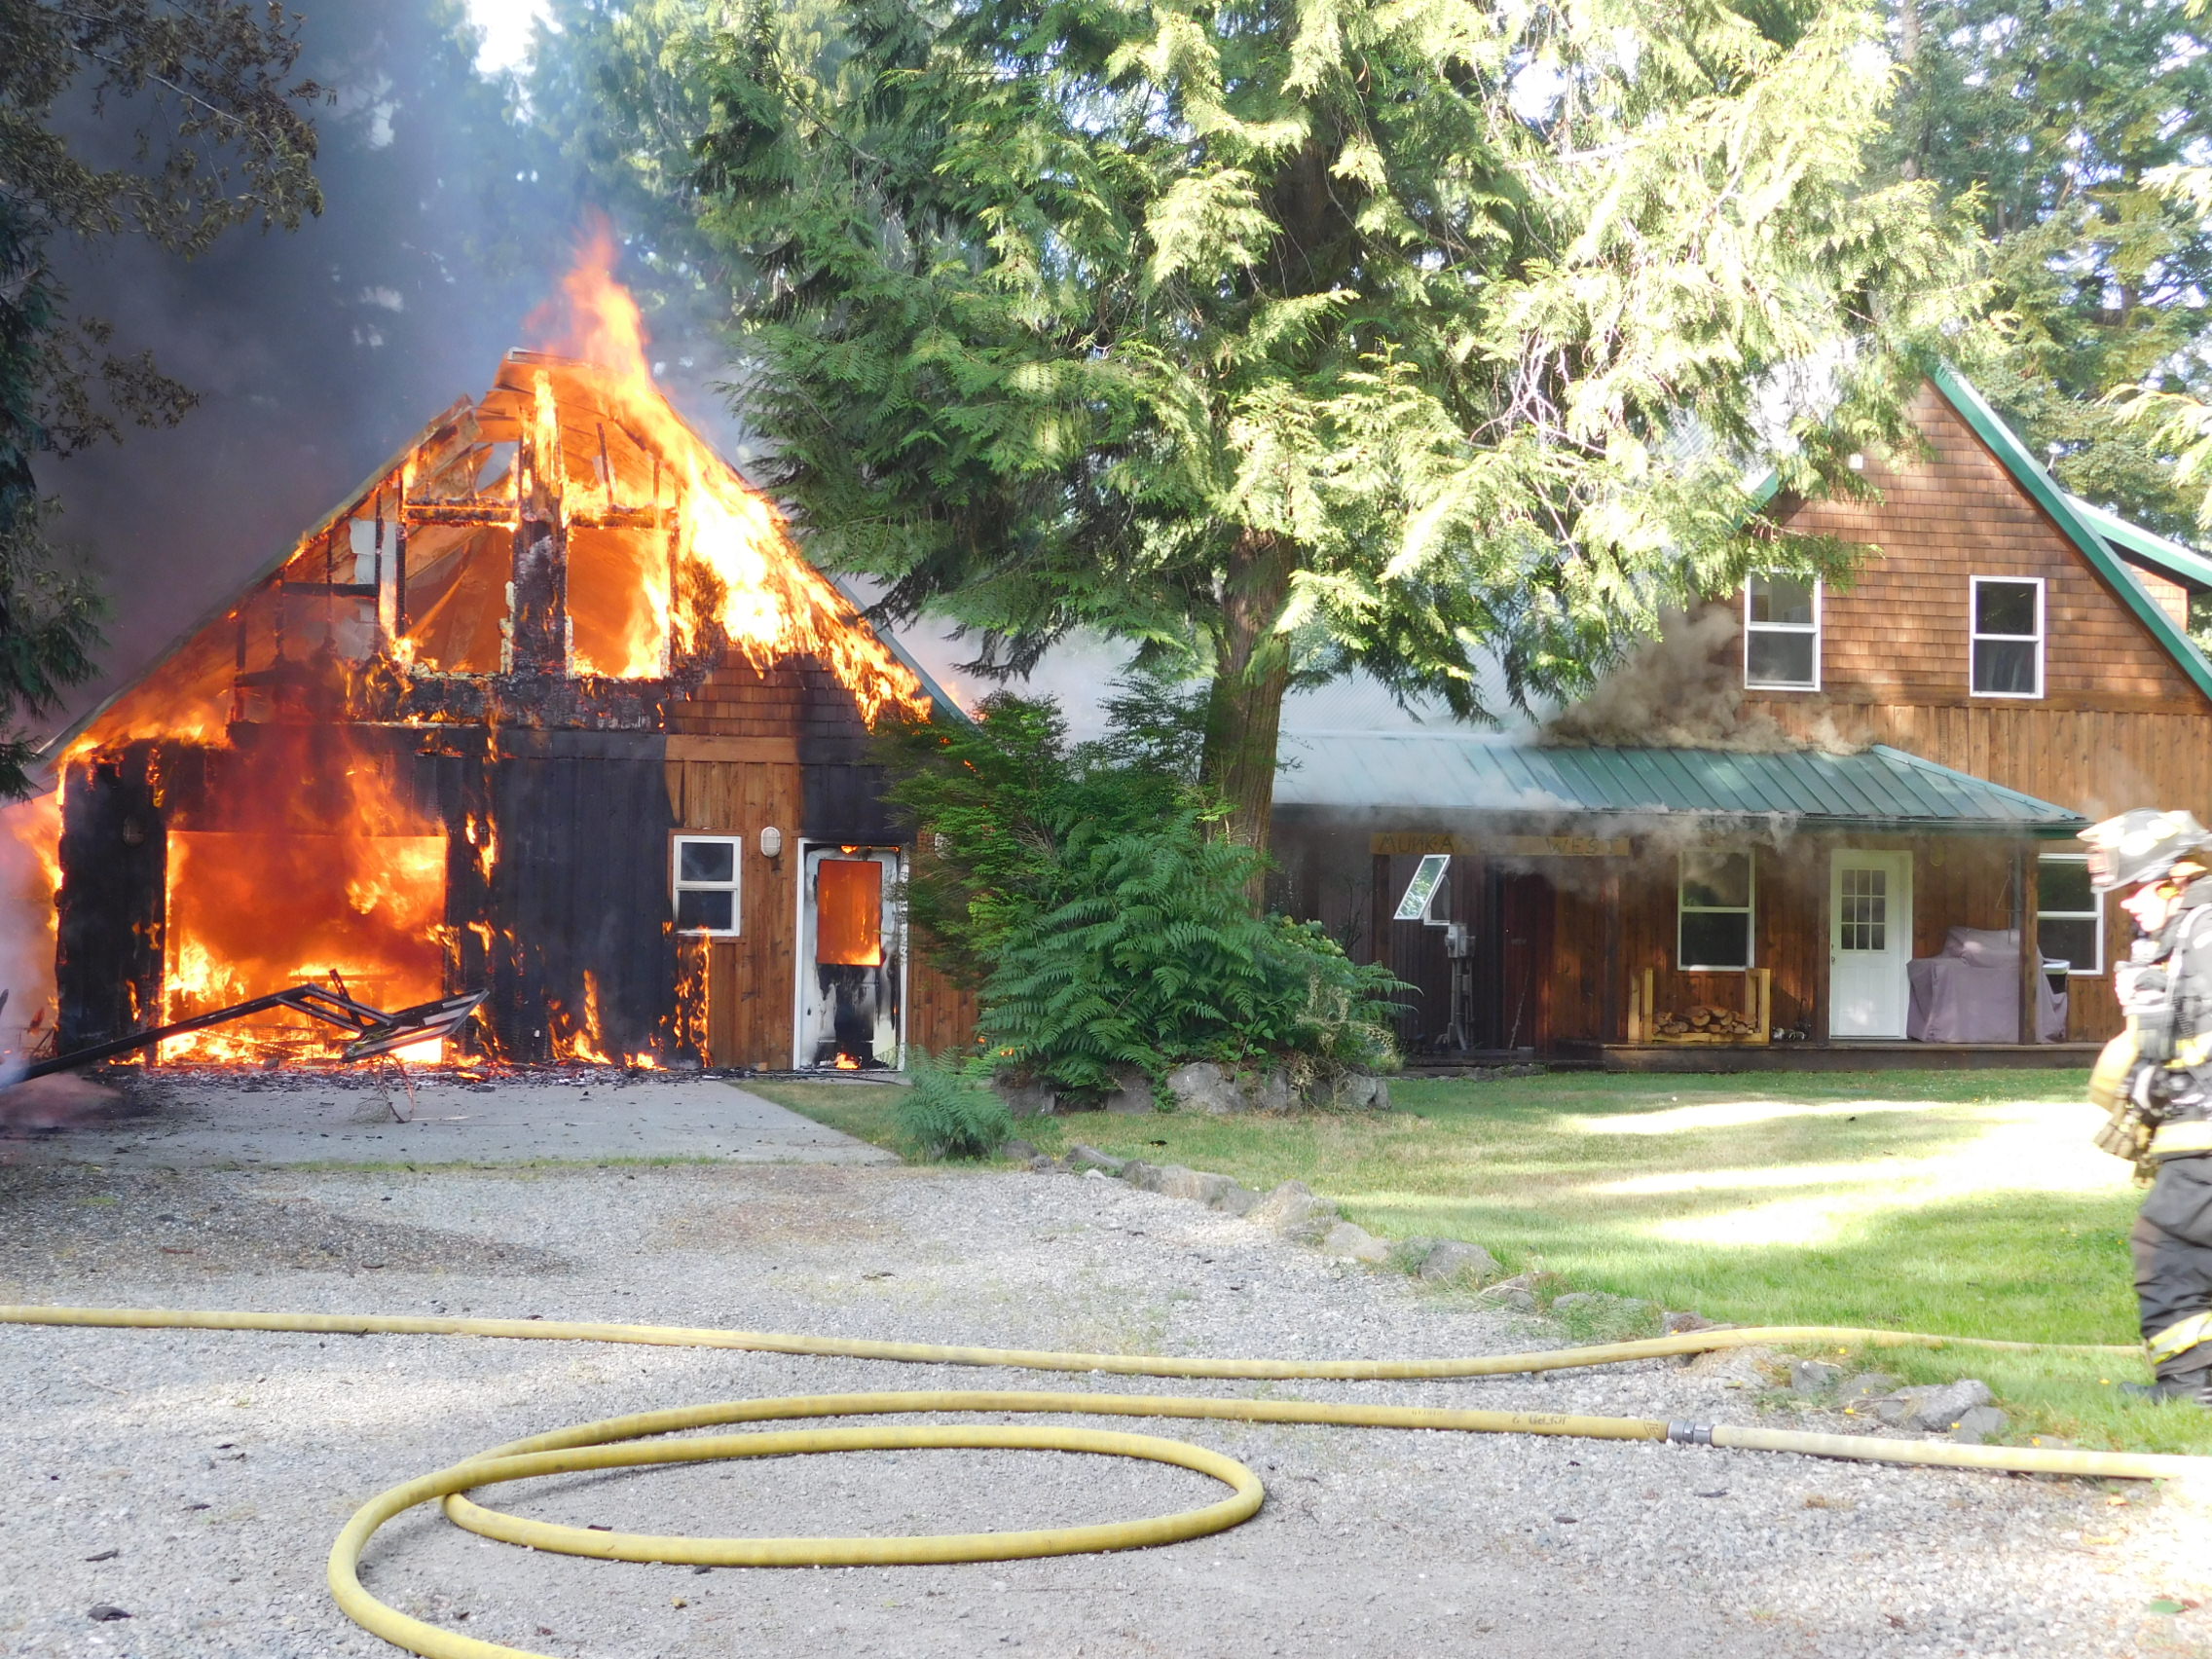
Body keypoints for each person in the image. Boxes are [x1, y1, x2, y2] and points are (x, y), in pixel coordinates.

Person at [2083, 808, 2212, 1406]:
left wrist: (2153, 1071)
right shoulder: (2183, 937)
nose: (2127, 904)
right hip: (2193, 1133)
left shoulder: (2204, 938)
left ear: (2174, 878)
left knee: (2166, 1249)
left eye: (2136, 887)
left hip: (2204, 1139)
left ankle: (2188, 1388)